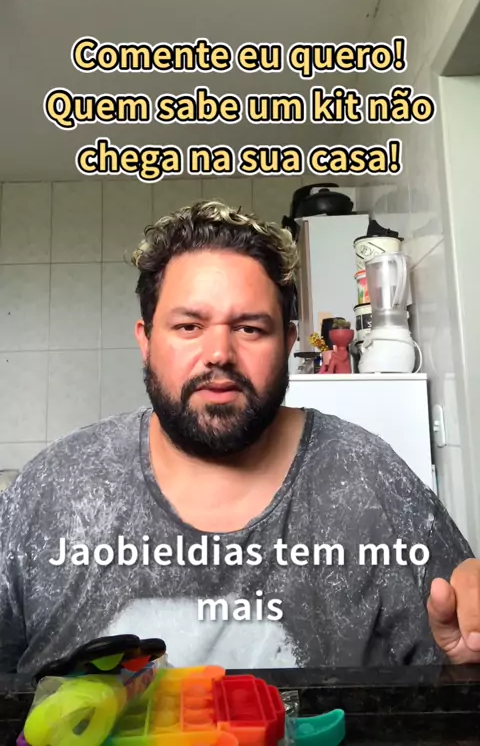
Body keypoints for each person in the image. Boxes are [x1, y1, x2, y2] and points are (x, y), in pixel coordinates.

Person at [0, 200, 479, 676]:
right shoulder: (52, 489)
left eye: (249, 328)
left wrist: (464, 667)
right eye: (188, 326)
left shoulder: (368, 479)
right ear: (146, 341)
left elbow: (453, 654)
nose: (219, 354)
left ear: (288, 342)